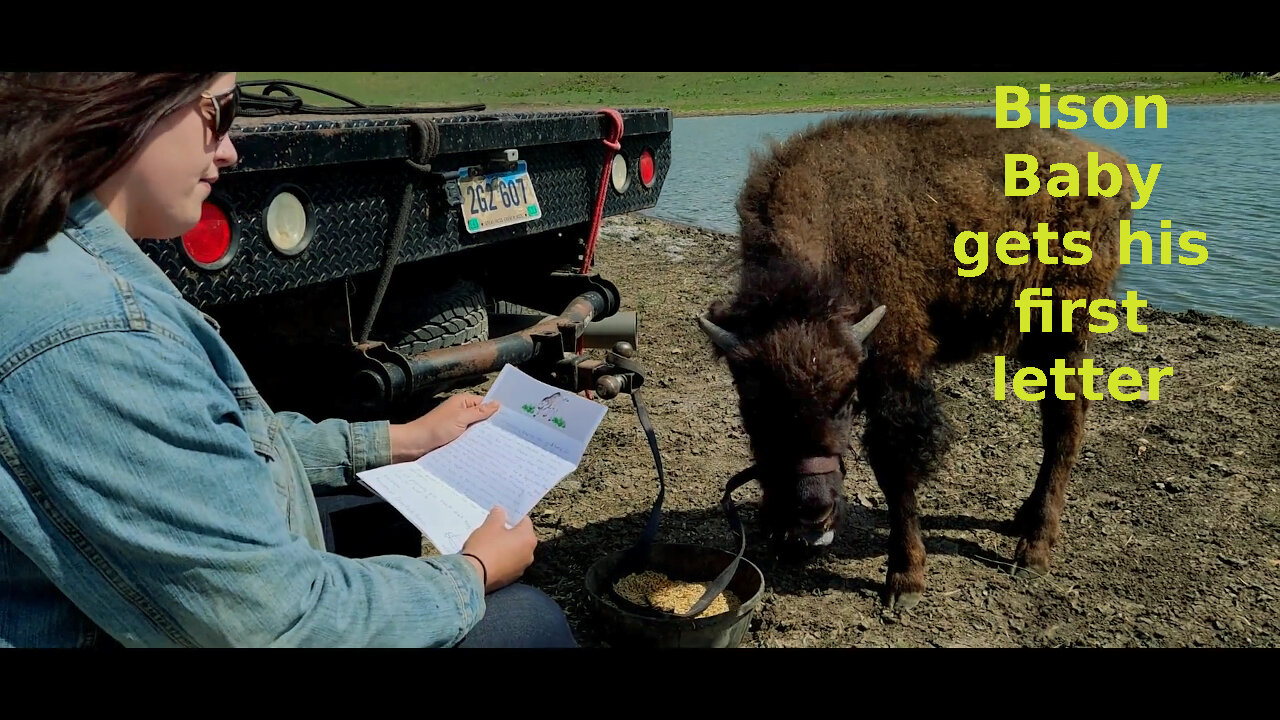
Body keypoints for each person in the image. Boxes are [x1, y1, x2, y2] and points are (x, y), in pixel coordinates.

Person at [0, 71, 578, 648]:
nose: (229, 149)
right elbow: (276, 624)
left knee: (375, 504)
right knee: (529, 623)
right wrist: (471, 575)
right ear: (119, 106)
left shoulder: (61, 252)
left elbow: (216, 437)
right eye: (218, 114)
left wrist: (401, 441)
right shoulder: (96, 337)